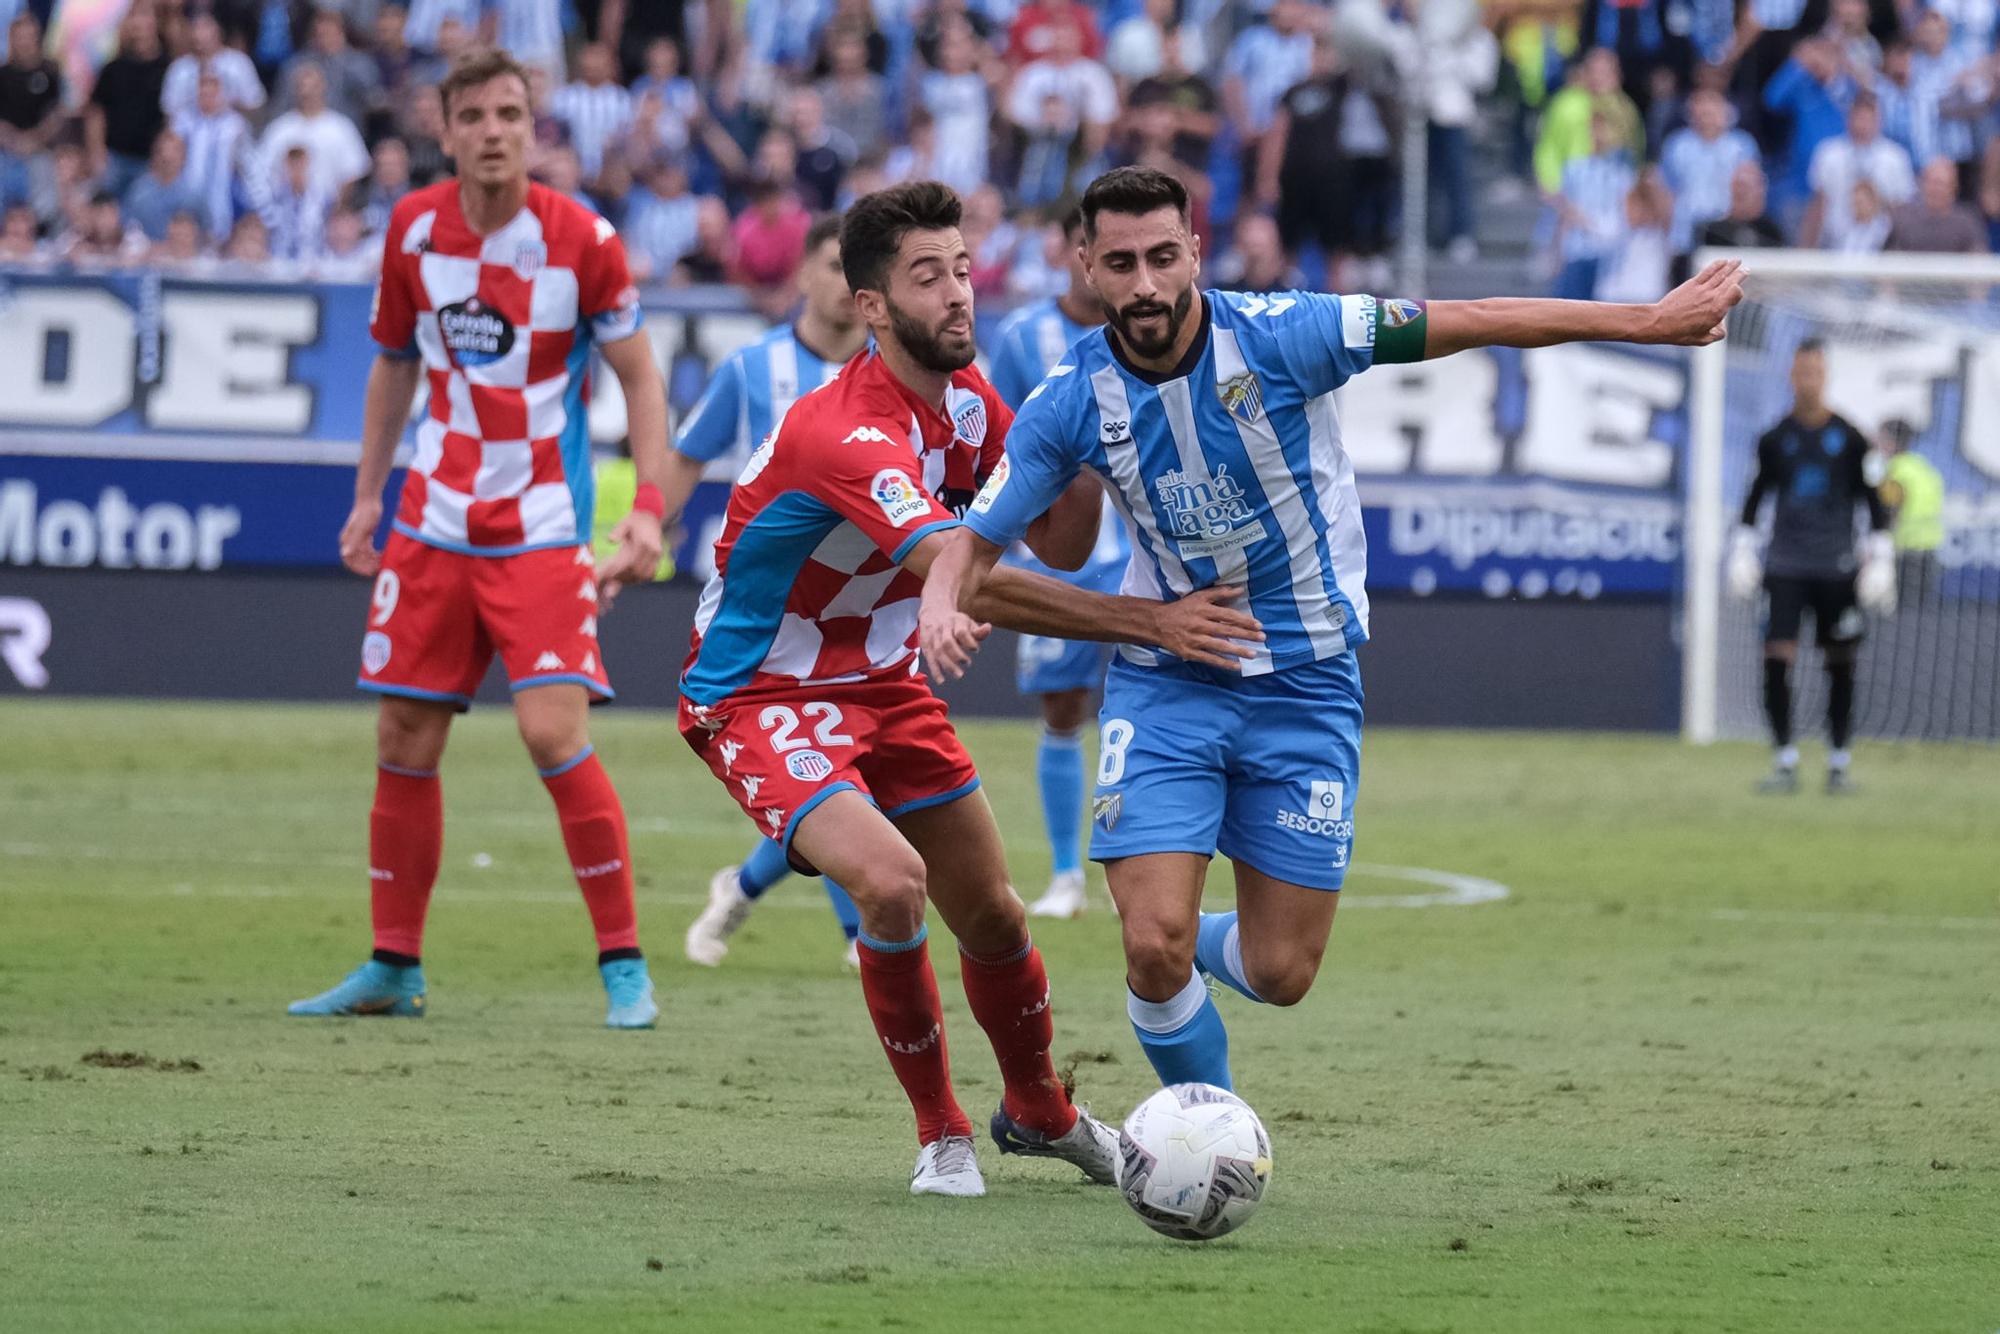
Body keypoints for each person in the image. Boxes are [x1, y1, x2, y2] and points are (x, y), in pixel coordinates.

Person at [919, 166, 1744, 1093]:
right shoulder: (1071, 397)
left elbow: (1476, 318)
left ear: (1195, 252)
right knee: (1152, 942)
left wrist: (1647, 320)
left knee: (1281, 971)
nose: (1144, 284)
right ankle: (1212, 1127)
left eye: (1161, 257)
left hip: (1307, 678)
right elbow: (970, 548)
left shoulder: (1290, 333)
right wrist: (942, 601)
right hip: (1168, 678)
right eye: (1120, 264)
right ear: (1085, 265)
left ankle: (1194, 957)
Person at [676, 180, 1257, 1194]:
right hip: (759, 693)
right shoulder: (847, 432)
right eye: (927, 277)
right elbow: (966, 571)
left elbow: (1061, 538)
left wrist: (1085, 423)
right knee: (892, 881)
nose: (957, 294)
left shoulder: (969, 403)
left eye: (961, 270)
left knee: (993, 914)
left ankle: (1040, 1111)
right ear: (871, 305)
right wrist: (1151, 621)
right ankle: (941, 1133)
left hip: (885, 683)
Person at [288, 49, 671, 1028]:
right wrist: (368, 495)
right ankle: (393, 965)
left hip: (541, 525)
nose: (494, 131)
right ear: (445, 129)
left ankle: (624, 965)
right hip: (432, 520)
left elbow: (639, 377)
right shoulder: (412, 228)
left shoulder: (583, 239)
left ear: (533, 129)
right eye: (474, 116)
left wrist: (646, 509)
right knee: (403, 736)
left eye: (510, 114)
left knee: (551, 731)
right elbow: (391, 366)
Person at [677, 213, 874, 968]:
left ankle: (745, 886)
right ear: (801, 274)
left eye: (858, 271)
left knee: (842, 771)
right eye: (833, 265)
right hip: (773, 614)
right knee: (835, 773)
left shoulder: (895, 375)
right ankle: (860, 935)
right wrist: (646, 531)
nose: (846, 284)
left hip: (869, 607)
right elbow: (688, 455)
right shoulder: (752, 368)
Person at [985, 203, 1129, 919]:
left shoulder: (1150, 327)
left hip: (1141, 553)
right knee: (1064, 708)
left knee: (1147, 707)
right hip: (1055, 559)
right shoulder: (1023, 337)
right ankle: (1067, 873)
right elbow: (996, 440)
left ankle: (1137, 866)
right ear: (1075, 254)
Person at [1726, 339, 1894, 795]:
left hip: (1837, 567)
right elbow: (1755, 498)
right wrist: (1741, 550)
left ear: (1826, 376)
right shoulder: (1774, 439)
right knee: (1777, 658)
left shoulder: (1852, 438)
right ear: (1791, 376)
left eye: (1816, 373)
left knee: (1840, 663)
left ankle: (1838, 762)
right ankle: (1785, 760)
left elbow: (1873, 501)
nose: (1808, 381)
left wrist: (1882, 558)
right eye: (1802, 372)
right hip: (1786, 565)